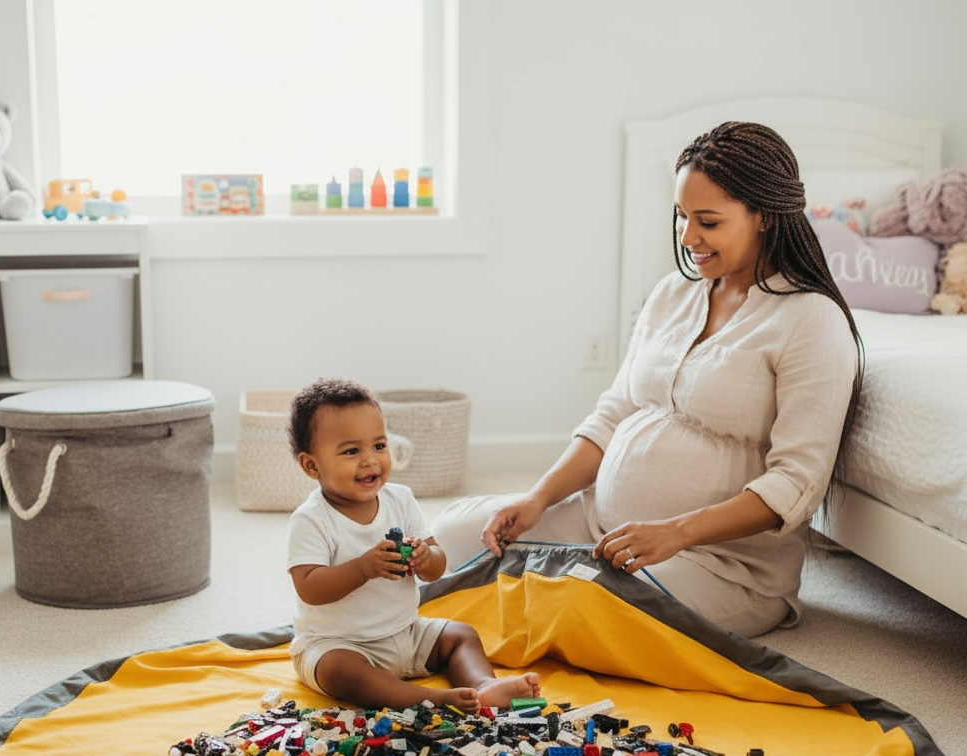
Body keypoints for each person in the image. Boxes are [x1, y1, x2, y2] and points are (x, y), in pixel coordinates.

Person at [433, 121, 862, 637]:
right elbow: (614, 413)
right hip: (598, 525)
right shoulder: (672, 294)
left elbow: (795, 484)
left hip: (719, 565)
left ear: (765, 216)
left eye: (708, 221)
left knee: (581, 606)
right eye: (682, 217)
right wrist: (538, 498)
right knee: (452, 534)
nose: (688, 237)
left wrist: (675, 533)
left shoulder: (811, 321)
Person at [286, 377, 541, 711]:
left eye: (379, 446)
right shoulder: (312, 519)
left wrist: (426, 556)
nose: (370, 460)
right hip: (339, 643)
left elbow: (437, 566)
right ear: (311, 465)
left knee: (460, 635)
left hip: (407, 633)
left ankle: (483, 685)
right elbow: (309, 587)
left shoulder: (400, 499)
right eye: (351, 451)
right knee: (339, 671)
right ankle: (431, 700)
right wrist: (363, 568)